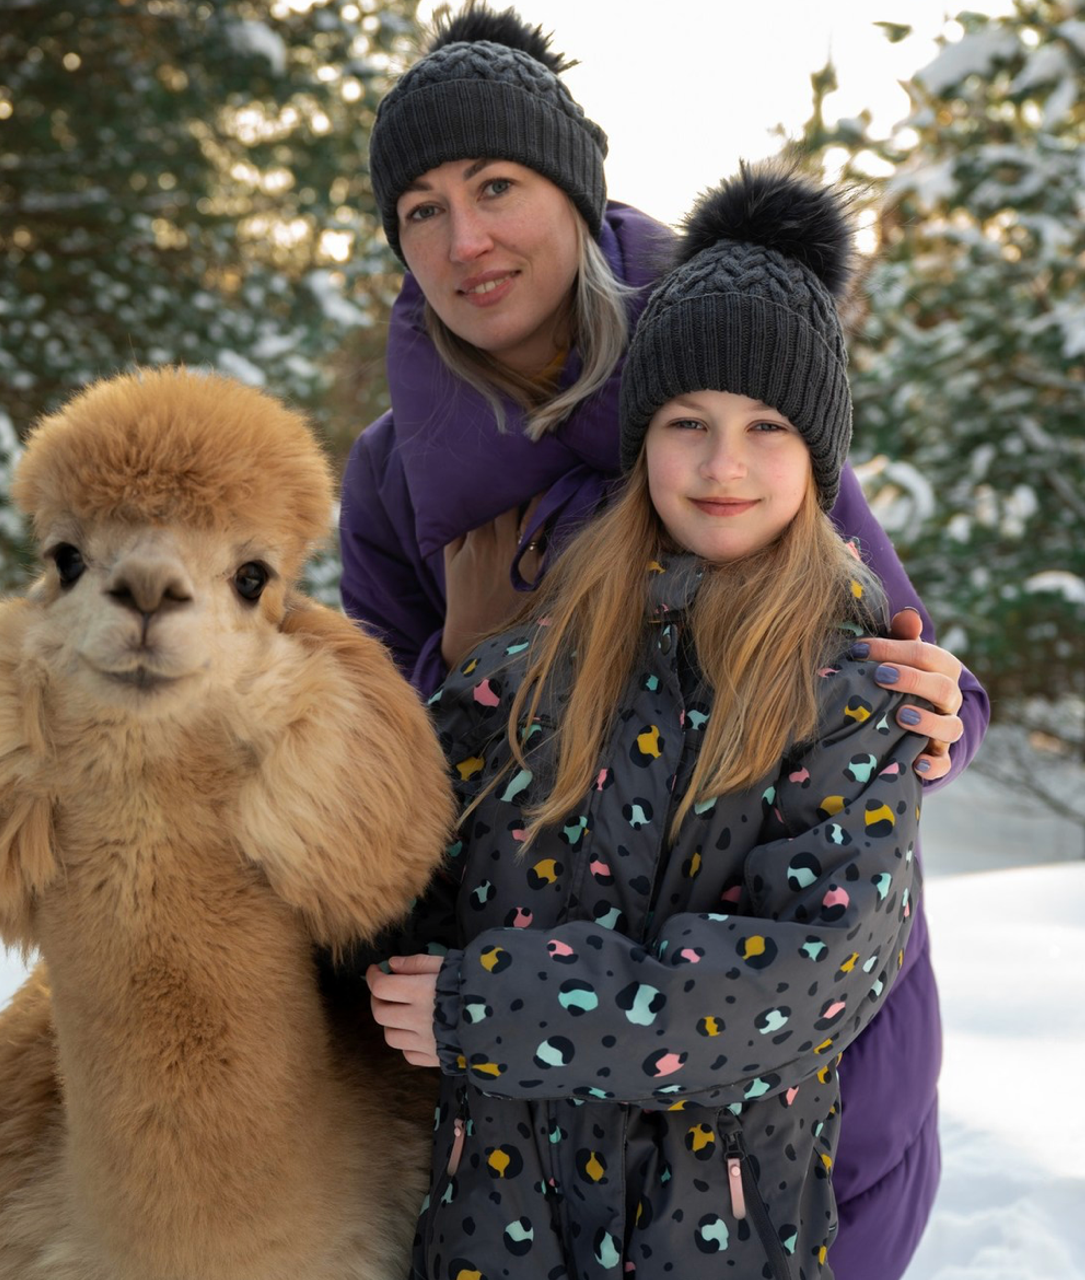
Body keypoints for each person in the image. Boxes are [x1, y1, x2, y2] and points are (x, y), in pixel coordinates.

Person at [340, 8, 988, 1278]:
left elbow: (877, 638)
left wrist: (937, 704)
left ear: (573, 190)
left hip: (787, 1065)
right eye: (419, 208)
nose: (464, 238)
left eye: (496, 186)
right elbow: (379, 782)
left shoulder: (729, 368)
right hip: (530, 1086)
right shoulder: (390, 478)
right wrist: (466, 653)